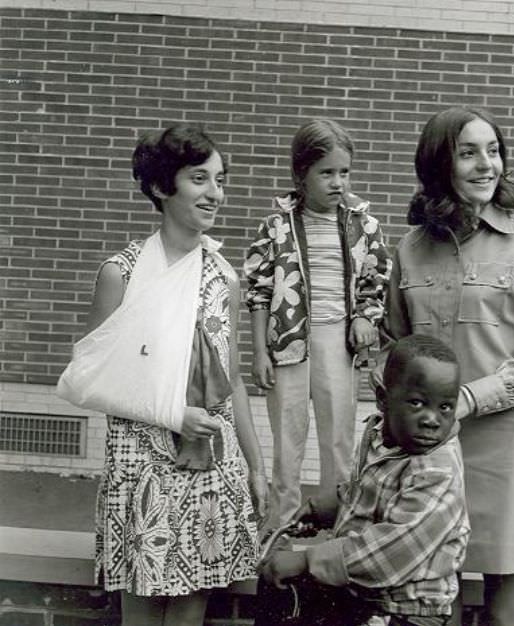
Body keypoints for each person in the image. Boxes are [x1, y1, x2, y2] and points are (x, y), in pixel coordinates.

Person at [379, 106, 514, 626]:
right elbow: (395, 349)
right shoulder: (409, 249)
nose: (487, 164)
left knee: (508, 608)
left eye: (493, 151)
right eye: (469, 153)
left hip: (503, 450)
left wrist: (472, 396)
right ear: (440, 164)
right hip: (424, 452)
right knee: (420, 599)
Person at [87, 125, 268, 626]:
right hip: (142, 464)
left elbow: (230, 382)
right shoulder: (121, 274)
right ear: (161, 188)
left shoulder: (225, 278)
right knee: (141, 616)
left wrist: (255, 465)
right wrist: (171, 412)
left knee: (189, 617)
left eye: (219, 179)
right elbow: (92, 380)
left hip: (209, 462)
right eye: (199, 179)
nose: (216, 193)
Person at [254, 333, 470, 626]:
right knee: (275, 583)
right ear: (383, 399)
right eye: (417, 403)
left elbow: (391, 553)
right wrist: (327, 507)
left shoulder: (437, 470)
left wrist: (307, 560)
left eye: (445, 406)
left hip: (407, 613)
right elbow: (366, 491)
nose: (432, 419)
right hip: (364, 596)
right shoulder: (381, 436)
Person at [243, 118, 391, 529]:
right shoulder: (276, 227)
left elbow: (375, 280)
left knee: (338, 436)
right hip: (287, 339)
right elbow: (257, 291)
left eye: (344, 172)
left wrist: (365, 317)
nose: (338, 182)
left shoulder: (365, 225)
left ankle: (337, 518)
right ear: (301, 175)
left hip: (336, 341)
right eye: (326, 173)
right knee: (288, 437)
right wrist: (259, 354)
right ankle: (281, 521)